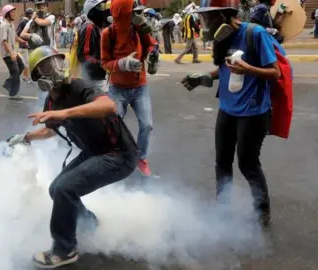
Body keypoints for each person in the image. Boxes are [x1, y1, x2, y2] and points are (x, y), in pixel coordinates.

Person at [7, 46, 139, 268]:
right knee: (56, 189)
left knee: (65, 189)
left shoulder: (80, 87)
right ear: (39, 77)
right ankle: (90, 224)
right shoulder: (51, 101)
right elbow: (50, 129)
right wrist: (27, 137)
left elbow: (108, 105)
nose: (57, 68)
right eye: (49, 66)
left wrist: (65, 113)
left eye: (58, 62)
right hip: (95, 151)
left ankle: (64, 249)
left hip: (119, 154)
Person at [181, 0, 286, 227]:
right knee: (222, 162)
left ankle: (262, 211)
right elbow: (224, 69)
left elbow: (275, 73)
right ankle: (222, 207)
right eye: (204, 17)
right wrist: (201, 78)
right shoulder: (223, 39)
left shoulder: (255, 34)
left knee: (247, 164)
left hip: (253, 111)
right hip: (227, 110)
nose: (206, 22)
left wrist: (248, 69)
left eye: (210, 17)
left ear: (226, 16)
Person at [101, 0, 158, 176]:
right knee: (113, 123)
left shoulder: (140, 28)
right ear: (123, 14)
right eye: (135, 13)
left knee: (147, 125)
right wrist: (122, 64)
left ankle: (141, 158)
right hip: (117, 89)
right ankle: (114, 156)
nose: (140, 17)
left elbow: (151, 44)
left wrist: (154, 55)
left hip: (139, 87)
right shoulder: (108, 33)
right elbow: (105, 63)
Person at [76, 0, 108, 90]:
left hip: (96, 76)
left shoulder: (95, 27)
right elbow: (83, 55)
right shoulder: (89, 27)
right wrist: (101, 63)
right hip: (91, 78)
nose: (102, 10)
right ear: (91, 11)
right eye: (99, 7)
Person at [0, 5, 27, 99]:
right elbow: (4, 41)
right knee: (15, 71)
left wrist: (22, 41)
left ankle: (8, 83)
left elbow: (14, 36)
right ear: (7, 14)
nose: (14, 14)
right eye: (12, 12)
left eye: (14, 12)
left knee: (21, 66)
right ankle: (13, 94)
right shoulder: (4, 25)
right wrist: (11, 54)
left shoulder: (11, 24)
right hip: (7, 54)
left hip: (12, 52)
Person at [16, 8, 34, 82]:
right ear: (29, 15)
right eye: (32, 14)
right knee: (26, 63)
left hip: (24, 46)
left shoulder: (25, 21)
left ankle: (25, 76)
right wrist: (23, 41)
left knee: (26, 62)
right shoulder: (25, 22)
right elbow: (18, 34)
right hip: (24, 46)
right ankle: (26, 77)